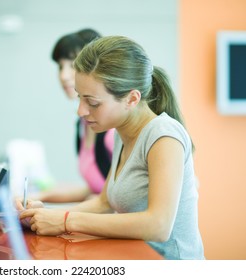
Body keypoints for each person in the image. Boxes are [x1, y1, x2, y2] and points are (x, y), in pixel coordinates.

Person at [19, 35, 205, 260]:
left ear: (132, 99)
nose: (81, 110)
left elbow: (159, 225)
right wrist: (45, 216)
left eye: (93, 103)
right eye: (80, 98)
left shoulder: (164, 135)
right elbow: (104, 202)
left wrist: (66, 220)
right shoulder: (121, 132)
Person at [34, 28, 115, 203]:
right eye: (60, 67)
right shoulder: (83, 123)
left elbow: (117, 201)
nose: (63, 76)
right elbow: (96, 188)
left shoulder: (114, 131)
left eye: (72, 65)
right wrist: (39, 197)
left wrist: (61, 217)